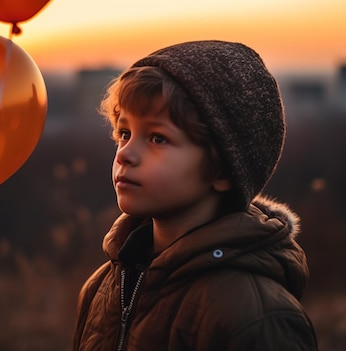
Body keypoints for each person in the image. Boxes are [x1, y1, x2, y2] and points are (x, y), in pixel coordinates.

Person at [72, 40, 318, 350]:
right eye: (124, 133)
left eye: (157, 138)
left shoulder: (255, 316)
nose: (125, 154)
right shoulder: (102, 287)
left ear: (222, 170)